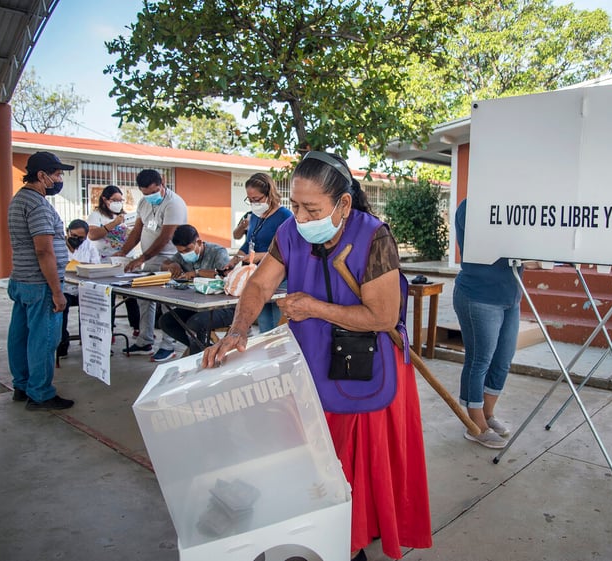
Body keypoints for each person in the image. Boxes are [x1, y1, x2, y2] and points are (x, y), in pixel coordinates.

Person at [203, 152, 431, 561]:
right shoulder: (289, 232)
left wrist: (313, 307)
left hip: (366, 366)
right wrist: (237, 331)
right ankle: (330, 534)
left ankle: (352, 541)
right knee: (314, 461)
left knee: (357, 470)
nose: (303, 218)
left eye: (313, 209)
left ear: (343, 204)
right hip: (310, 362)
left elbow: (381, 316)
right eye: (296, 206)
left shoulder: (374, 236)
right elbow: (257, 286)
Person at [453, 198, 539, 449]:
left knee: (503, 359)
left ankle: (488, 415)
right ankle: (475, 425)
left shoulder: (514, 203)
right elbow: (490, 247)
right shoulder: (471, 207)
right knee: (480, 360)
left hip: (509, 296)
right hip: (478, 296)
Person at [6, 151, 75, 411]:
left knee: (21, 336)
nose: (59, 179)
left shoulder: (20, 199)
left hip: (22, 280)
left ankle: (22, 385)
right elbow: (43, 250)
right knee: (44, 339)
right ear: (42, 176)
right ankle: (41, 393)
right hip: (40, 283)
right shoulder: (36, 204)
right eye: (56, 174)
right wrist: (57, 292)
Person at [115, 169, 188, 362]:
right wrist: (123, 252)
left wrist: (141, 258)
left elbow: (166, 237)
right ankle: (145, 340)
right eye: (145, 193)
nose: (149, 196)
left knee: (167, 303)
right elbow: (137, 230)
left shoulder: (174, 204)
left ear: (162, 183)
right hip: (147, 259)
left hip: (169, 261)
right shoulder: (143, 202)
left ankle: (168, 345)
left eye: (153, 192)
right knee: (145, 300)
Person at [221, 172, 292, 332]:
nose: (253, 203)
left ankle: (277, 356)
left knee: (276, 327)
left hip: (279, 279)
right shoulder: (254, 216)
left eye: (257, 199)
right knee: (264, 324)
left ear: (270, 194)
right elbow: (249, 243)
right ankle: (267, 355)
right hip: (257, 276)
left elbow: (289, 249)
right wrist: (235, 259)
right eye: (250, 200)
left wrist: (259, 256)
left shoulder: (285, 216)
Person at [159, 225, 235, 355]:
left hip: (224, 306)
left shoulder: (217, 252)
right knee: (167, 321)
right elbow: (163, 265)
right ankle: (204, 350)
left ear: (199, 242)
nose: (184, 254)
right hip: (198, 305)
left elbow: (226, 273)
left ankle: (199, 355)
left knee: (195, 323)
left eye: (187, 250)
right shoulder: (181, 255)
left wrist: (197, 273)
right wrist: (173, 264)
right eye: (181, 252)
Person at [86, 184, 140, 335]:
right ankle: (109, 329)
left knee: (131, 296)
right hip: (105, 263)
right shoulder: (96, 215)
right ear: (105, 199)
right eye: (115, 200)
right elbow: (92, 235)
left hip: (125, 261)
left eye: (121, 200)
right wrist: (114, 224)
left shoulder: (125, 215)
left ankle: (137, 326)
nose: (118, 203)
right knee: (109, 296)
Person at [57, 219, 100, 357]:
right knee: (61, 310)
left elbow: (96, 266)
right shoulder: (58, 246)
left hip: (84, 289)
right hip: (65, 289)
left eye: (80, 237)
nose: (76, 239)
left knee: (99, 306)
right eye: (73, 236)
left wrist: (79, 265)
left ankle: (91, 343)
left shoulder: (90, 246)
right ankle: (62, 343)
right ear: (68, 232)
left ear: (86, 236)